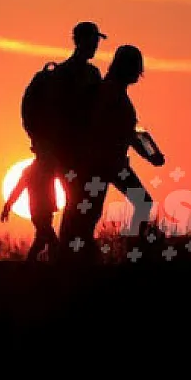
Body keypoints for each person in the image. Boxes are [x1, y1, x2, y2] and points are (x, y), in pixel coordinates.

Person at [67, 45, 166, 257]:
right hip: (103, 165)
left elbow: (132, 131)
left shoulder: (115, 93)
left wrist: (151, 154)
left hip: (112, 164)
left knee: (137, 204)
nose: (138, 74)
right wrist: (150, 154)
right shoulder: (110, 92)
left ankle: (128, 250)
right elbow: (120, 130)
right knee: (90, 215)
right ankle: (124, 252)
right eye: (136, 68)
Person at [55, 22, 108, 252]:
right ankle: (68, 255)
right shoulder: (64, 74)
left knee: (85, 207)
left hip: (86, 154)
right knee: (76, 205)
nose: (96, 45)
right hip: (69, 154)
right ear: (80, 41)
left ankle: (75, 253)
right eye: (93, 40)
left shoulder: (92, 73)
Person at [0, 158, 60, 262]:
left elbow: (18, 189)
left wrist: (7, 206)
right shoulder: (32, 171)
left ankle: (33, 264)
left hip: (45, 210)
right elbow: (18, 189)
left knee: (42, 239)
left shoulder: (48, 168)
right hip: (38, 211)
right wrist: (7, 206)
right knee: (50, 239)